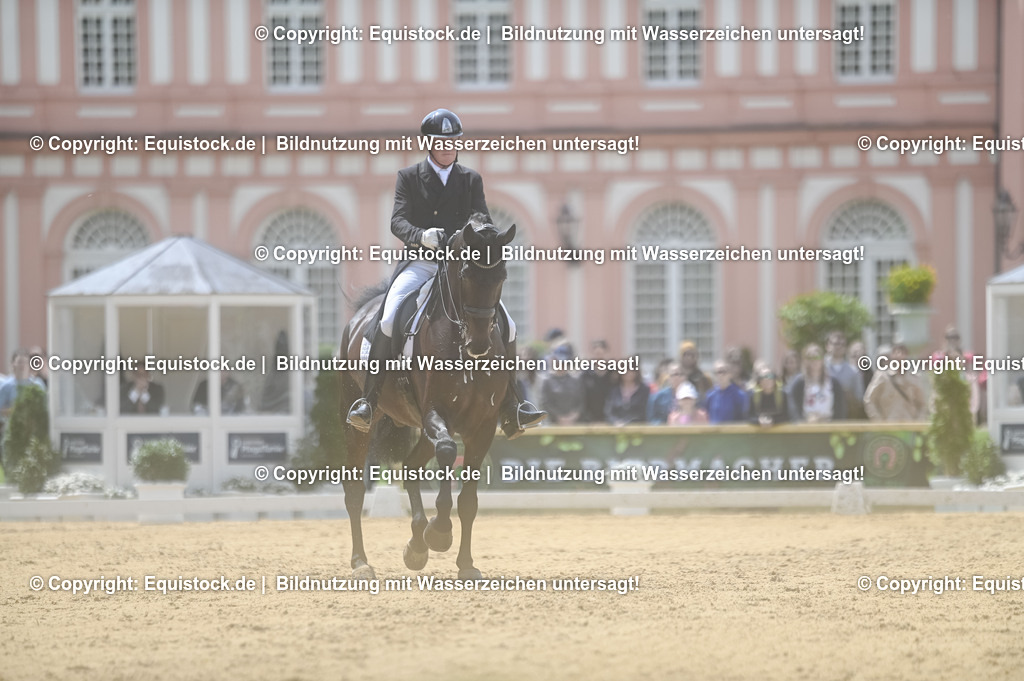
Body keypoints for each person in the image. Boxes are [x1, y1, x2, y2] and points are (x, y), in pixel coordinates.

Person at [345, 109, 545, 438]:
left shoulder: (470, 179)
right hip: (421, 262)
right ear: (429, 143)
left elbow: (481, 214)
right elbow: (397, 221)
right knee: (388, 315)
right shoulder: (409, 177)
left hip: (460, 266)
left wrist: (478, 233)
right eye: (441, 142)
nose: (449, 147)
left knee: (507, 323)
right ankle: (369, 400)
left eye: (453, 142)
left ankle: (513, 404)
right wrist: (421, 235)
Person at [863, 342, 928, 421]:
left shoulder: (914, 378)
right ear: (891, 356)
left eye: (903, 353)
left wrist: (918, 423)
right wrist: (878, 422)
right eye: (896, 353)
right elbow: (869, 400)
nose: (899, 356)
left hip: (909, 426)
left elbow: (922, 404)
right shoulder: (882, 376)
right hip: (888, 426)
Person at [788, 344, 846, 422]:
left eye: (817, 357)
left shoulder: (833, 382)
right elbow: (793, 408)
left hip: (829, 425)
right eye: (810, 358)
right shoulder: (799, 382)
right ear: (805, 361)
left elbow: (840, 409)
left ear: (822, 360)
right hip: (806, 426)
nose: (814, 361)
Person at [540, 343, 585, 425]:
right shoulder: (547, 381)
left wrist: (574, 415)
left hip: (573, 422)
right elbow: (545, 403)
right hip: (553, 423)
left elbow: (581, 401)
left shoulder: (575, 380)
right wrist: (559, 417)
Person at [825, 331, 865, 418]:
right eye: (835, 344)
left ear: (846, 348)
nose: (838, 347)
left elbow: (860, 399)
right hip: (822, 419)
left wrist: (849, 396)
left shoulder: (854, 372)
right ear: (828, 346)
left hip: (845, 417)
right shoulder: (819, 368)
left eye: (842, 344)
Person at [0, 349, 47, 419]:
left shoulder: (37, 384)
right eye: (20, 362)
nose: (23, 365)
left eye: (25, 362)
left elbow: (44, 408)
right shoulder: (6, 386)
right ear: (13, 364)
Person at [703, 359, 749, 424]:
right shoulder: (710, 395)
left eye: (723, 371)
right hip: (713, 433)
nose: (720, 375)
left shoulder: (739, 395)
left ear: (730, 374)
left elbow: (743, 419)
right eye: (717, 372)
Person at [580, 340, 614, 423]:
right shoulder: (586, 373)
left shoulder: (612, 372)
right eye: (596, 354)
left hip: (609, 417)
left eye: (601, 354)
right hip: (589, 418)